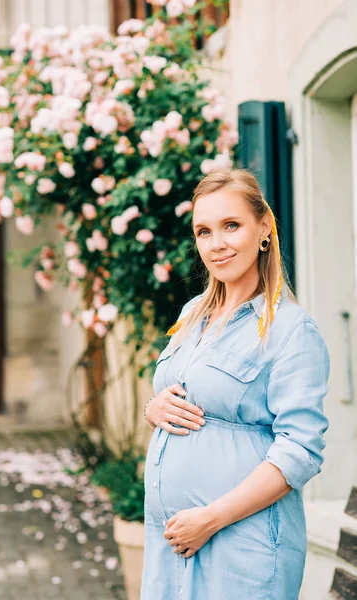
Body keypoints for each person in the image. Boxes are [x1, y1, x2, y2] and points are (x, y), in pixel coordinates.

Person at [140, 169, 330, 600]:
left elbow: (299, 451)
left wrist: (209, 518)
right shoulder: (192, 314)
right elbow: (180, 393)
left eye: (231, 226)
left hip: (241, 545)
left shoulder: (292, 330)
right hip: (170, 545)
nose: (216, 243)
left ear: (263, 228)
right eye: (204, 231)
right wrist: (154, 408)